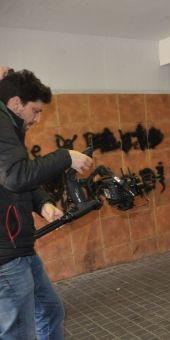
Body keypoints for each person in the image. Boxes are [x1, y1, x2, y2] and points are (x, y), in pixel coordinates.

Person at [0, 69, 93, 339]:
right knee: (19, 332)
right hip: (6, 256)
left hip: (20, 248)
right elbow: (16, 176)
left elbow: (17, 176)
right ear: (16, 103)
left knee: (50, 311)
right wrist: (65, 156)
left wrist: (43, 203)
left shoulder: (10, 126)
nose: (37, 119)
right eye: (35, 111)